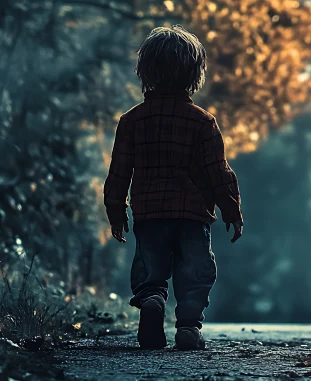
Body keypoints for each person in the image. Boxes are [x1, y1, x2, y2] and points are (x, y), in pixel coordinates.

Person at [103, 25, 243, 350]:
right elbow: (217, 172)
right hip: (193, 215)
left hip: (150, 213)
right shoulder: (203, 122)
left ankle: (152, 299)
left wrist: (115, 210)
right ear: (195, 73)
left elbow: (119, 172)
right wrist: (231, 208)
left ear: (146, 70)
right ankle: (188, 327)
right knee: (194, 273)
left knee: (151, 268)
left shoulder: (131, 121)